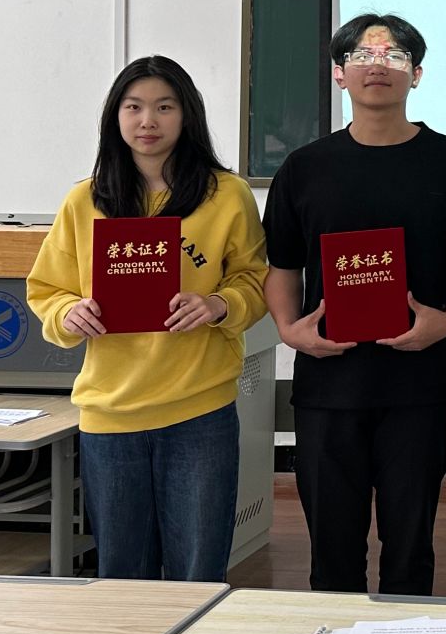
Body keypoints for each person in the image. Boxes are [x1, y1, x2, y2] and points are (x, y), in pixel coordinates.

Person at [262, 13, 446, 596]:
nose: (377, 66)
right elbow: (282, 264)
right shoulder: (305, 167)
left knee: (410, 548)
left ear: (417, 74)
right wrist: (288, 329)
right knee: (332, 552)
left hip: (417, 383)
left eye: (393, 56)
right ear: (339, 74)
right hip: (328, 384)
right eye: (361, 55)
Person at [28, 55, 267, 582]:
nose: (148, 121)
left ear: (187, 114)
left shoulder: (227, 195)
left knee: (197, 574)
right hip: (111, 413)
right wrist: (69, 313)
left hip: (199, 409)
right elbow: (46, 290)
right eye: (133, 107)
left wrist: (218, 304)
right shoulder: (84, 200)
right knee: (123, 576)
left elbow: (255, 281)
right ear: (115, 116)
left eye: (164, 107)